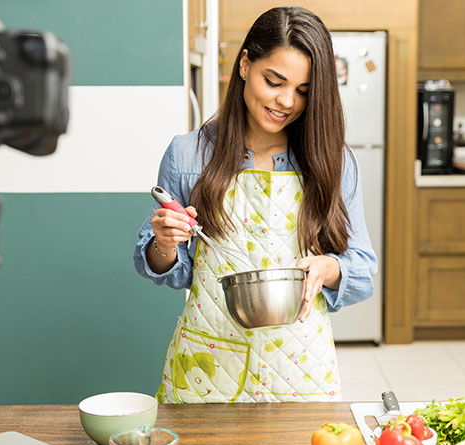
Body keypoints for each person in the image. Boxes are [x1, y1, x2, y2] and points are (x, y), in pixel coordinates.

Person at [134, 6, 377, 404]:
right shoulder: (188, 155)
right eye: (274, 81)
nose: (286, 101)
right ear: (245, 64)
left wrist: (328, 267)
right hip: (206, 366)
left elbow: (363, 270)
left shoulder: (333, 162)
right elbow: (163, 270)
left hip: (301, 371)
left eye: (303, 90)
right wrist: (165, 241)